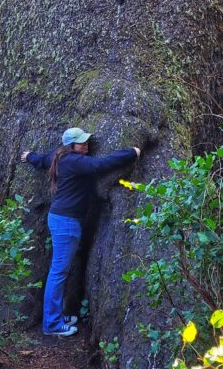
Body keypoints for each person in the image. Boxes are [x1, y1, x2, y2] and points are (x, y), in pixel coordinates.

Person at [21, 128, 140, 337]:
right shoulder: (74, 161)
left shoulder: (59, 157)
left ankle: (55, 316)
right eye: (80, 142)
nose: (85, 145)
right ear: (70, 146)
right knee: (58, 273)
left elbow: (41, 160)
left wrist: (29, 156)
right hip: (66, 223)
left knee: (60, 271)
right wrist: (132, 152)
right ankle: (52, 324)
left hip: (62, 219)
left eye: (86, 141)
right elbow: (101, 165)